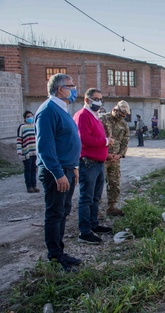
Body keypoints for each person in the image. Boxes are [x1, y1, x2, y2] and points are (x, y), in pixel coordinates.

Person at [35, 73, 82, 271]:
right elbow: (45, 147)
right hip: (57, 172)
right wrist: (58, 173)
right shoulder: (47, 111)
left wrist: (74, 168)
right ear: (60, 88)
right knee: (55, 214)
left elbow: (66, 141)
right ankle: (55, 257)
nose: (74, 89)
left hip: (68, 169)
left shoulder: (62, 109)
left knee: (63, 212)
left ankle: (60, 252)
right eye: (71, 86)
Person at [73, 88, 114, 245]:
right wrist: (105, 142)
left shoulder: (94, 116)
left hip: (98, 163)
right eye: (96, 98)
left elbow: (95, 136)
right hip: (88, 163)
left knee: (95, 197)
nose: (99, 102)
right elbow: (84, 139)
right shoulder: (83, 116)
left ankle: (93, 225)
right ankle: (84, 231)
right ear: (87, 100)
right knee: (86, 198)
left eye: (100, 99)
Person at [100, 100, 130, 216]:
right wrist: (105, 154)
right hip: (102, 157)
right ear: (114, 109)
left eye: (124, 115)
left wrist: (120, 155)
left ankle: (111, 207)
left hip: (115, 159)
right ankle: (95, 210)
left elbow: (125, 141)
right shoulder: (102, 120)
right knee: (97, 185)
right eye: (120, 114)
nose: (121, 117)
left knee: (114, 183)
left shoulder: (123, 124)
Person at [17, 110, 39, 193]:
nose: (30, 118)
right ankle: (29, 186)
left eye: (31, 116)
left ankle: (34, 185)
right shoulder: (22, 127)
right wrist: (19, 150)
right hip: (26, 152)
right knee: (28, 169)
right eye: (28, 117)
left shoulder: (35, 126)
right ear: (25, 118)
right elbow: (19, 139)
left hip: (35, 152)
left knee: (34, 169)